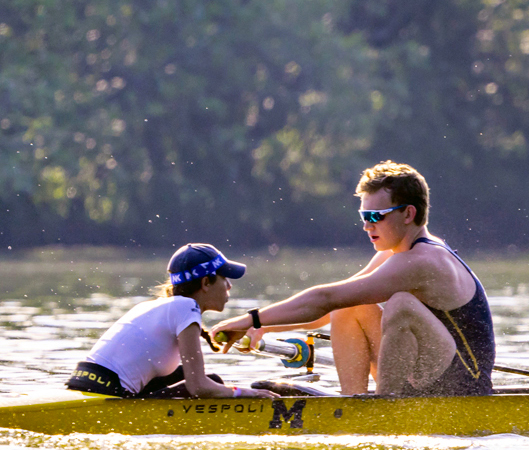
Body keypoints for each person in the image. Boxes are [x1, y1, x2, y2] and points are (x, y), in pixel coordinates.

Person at [211, 161, 495, 395]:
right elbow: (330, 305)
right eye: (363, 215)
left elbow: (324, 298)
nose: (366, 225)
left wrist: (251, 319)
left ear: (409, 214)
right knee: (348, 306)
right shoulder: (394, 254)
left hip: (463, 385)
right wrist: (265, 328)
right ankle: (352, 404)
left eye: (375, 215)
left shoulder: (424, 261)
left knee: (401, 305)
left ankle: (384, 409)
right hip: (426, 374)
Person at [67, 244, 278, 399]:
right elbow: (198, 387)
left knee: (210, 379)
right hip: (107, 392)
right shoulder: (187, 308)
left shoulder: (156, 306)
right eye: (225, 278)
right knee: (212, 384)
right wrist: (246, 394)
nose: (229, 286)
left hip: (84, 380)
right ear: (206, 282)